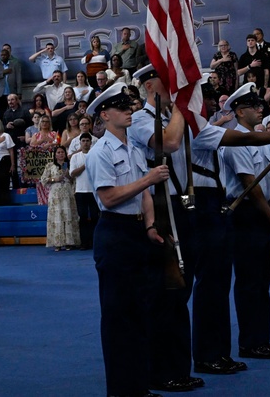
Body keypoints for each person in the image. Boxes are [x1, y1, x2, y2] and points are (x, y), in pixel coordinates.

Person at [129, 68, 270, 385]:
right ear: (151, 85)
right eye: (184, 87)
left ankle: (210, 354)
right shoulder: (144, 120)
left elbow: (241, 138)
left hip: (202, 205)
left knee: (213, 283)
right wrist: (183, 109)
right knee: (174, 291)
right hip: (168, 206)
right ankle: (168, 368)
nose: (195, 95)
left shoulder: (190, 122)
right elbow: (169, 143)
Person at [85, 82, 169, 397]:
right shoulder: (100, 152)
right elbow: (108, 197)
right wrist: (148, 179)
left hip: (135, 233)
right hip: (114, 233)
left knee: (138, 312)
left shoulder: (132, 148)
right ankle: (122, 390)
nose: (129, 110)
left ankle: (139, 386)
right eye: (121, 107)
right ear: (105, 114)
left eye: (129, 105)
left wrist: (150, 225)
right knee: (118, 316)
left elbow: (145, 195)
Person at [217, 83, 270, 361]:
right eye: (254, 106)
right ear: (239, 111)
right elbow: (249, 183)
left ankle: (262, 339)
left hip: (261, 212)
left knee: (263, 280)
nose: (260, 109)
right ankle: (250, 342)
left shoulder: (260, 140)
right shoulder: (236, 142)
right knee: (249, 281)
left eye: (260, 105)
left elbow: (269, 178)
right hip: (246, 213)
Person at [40, 145, 80, 251]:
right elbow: (43, 179)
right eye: (58, 152)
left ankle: (69, 242)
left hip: (67, 193)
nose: (61, 154)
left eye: (62, 152)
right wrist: (55, 179)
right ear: (55, 155)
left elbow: (75, 180)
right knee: (56, 217)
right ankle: (57, 243)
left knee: (68, 216)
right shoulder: (50, 165)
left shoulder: (70, 165)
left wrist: (68, 176)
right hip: (55, 195)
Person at [69, 132, 97, 250]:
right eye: (83, 141)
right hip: (80, 191)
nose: (85, 143)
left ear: (91, 143)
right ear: (80, 143)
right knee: (83, 217)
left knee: (95, 217)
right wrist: (85, 165)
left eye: (87, 141)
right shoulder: (75, 157)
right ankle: (84, 242)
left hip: (94, 191)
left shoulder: (95, 155)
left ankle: (95, 242)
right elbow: (72, 173)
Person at [0, 47, 22, 118]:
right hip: (1, 94)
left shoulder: (14, 65)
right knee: (2, 113)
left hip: (12, 92)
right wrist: (3, 73)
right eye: (2, 55)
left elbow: (18, 79)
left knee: (15, 111)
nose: (3, 56)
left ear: (8, 56)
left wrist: (19, 92)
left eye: (5, 55)